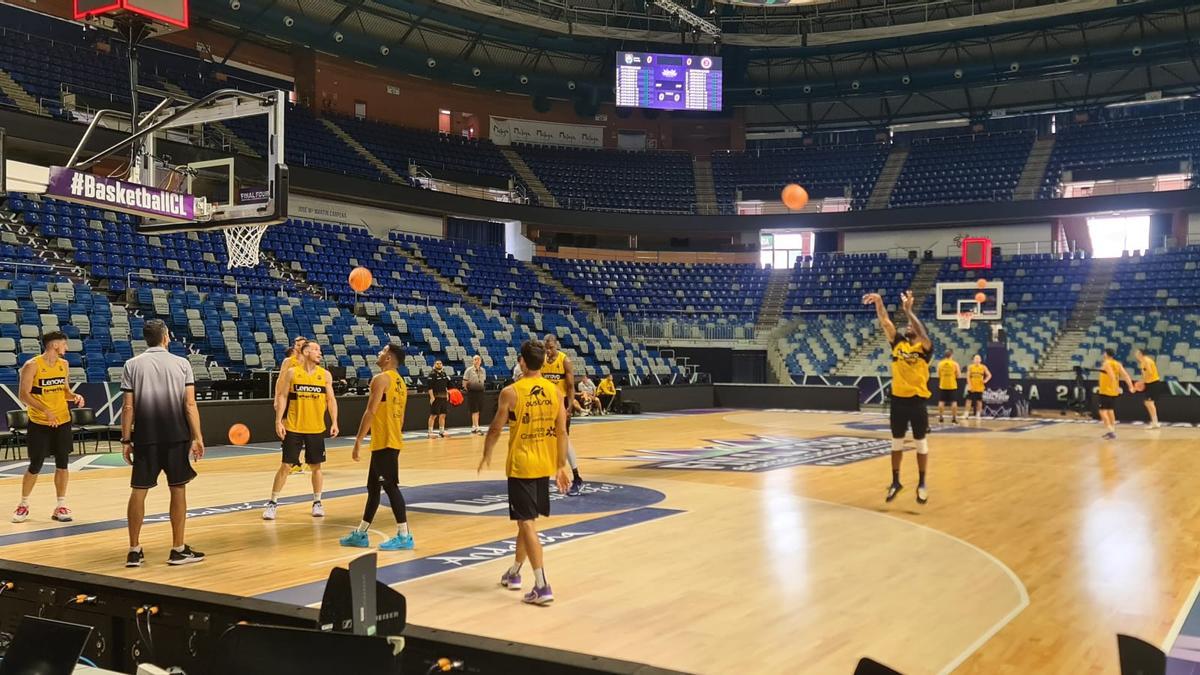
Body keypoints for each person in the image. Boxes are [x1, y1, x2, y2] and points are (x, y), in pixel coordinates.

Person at [478, 339, 570, 606]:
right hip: (544, 464)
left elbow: (495, 428)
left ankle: (542, 585)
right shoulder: (555, 392)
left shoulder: (511, 392)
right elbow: (562, 431)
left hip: (521, 464)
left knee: (527, 523)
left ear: (521, 361)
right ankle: (515, 573)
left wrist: (486, 452)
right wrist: (561, 465)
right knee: (525, 521)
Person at [120, 320, 205, 567]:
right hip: (176, 436)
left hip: (146, 437)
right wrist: (198, 437)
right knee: (178, 489)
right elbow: (189, 405)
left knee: (139, 490)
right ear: (166, 337)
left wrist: (126, 439)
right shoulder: (182, 364)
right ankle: (178, 549)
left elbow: (128, 407)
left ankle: (134, 550)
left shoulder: (132, 365)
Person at [340, 344, 414, 551]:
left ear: (389, 358)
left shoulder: (381, 379)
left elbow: (370, 412)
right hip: (390, 439)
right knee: (373, 488)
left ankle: (404, 536)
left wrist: (357, 441)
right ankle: (361, 533)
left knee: (390, 486)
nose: (379, 354)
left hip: (385, 441)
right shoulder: (401, 382)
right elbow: (402, 416)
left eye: (382, 352)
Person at [863, 291, 932, 505]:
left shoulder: (925, 347)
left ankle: (922, 483)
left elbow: (921, 332)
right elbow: (884, 321)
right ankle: (896, 481)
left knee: (921, 443)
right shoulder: (898, 343)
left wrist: (909, 311)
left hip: (918, 400)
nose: (909, 327)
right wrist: (879, 302)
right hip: (899, 400)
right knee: (896, 442)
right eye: (908, 325)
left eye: (912, 326)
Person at [13, 331, 85, 523]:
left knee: (63, 464)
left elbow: (65, 390)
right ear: (54, 345)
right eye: (64, 344)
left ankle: (60, 505)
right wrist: (45, 410)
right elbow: (24, 395)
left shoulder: (64, 365)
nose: (66, 348)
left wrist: (74, 397)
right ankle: (23, 504)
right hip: (40, 422)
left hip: (62, 420)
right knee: (35, 465)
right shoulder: (32, 365)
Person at [265, 340, 339, 520]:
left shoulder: (325, 375)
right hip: (293, 426)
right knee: (286, 466)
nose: (319, 353)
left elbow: (331, 400)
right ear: (305, 352)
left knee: (316, 467)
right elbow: (282, 396)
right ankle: (273, 503)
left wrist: (335, 421)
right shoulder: (292, 372)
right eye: (315, 350)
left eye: (320, 350)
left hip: (315, 428)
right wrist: (278, 421)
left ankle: (317, 502)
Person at [541, 334, 584, 496]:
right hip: (546, 405)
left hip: (562, 404)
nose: (549, 351)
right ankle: (549, 475)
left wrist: (570, 407)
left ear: (556, 346)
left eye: (551, 348)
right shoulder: (542, 361)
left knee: (563, 439)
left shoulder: (565, 360)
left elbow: (571, 387)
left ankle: (577, 477)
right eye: (546, 348)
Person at [278, 337, 308, 476]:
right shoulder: (288, 361)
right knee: (287, 430)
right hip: (289, 398)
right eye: (296, 344)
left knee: (303, 430)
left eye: (301, 344)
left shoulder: (308, 362)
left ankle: (302, 461)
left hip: (304, 399)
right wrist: (277, 398)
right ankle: (292, 462)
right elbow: (281, 380)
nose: (298, 346)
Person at [1098, 348, 1135, 440]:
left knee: (1102, 412)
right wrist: (1130, 386)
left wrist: (1115, 386)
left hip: (1106, 390)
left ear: (1106, 354)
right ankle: (1112, 431)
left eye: (1104, 353)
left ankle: (1110, 431)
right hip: (1113, 392)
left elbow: (1112, 376)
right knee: (1110, 410)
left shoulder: (1106, 363)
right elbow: (1126, 375)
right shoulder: (1117, 364)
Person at [1134, 348, 1164, 429]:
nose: (1135, 354)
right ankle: (1155, 422)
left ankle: (1155, 423)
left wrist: (1142, 382)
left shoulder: (1146, 361)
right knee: (1148, 403)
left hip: (1153, 383)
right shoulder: (1142, 362)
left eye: (1136, 353)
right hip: (1149, 383)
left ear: (1141, 353)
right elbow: (1145, 374)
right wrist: (1142, 381)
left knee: (1149, 403)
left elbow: (1150, 373)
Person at [934, 349, 961, 424]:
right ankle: (954, 418)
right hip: (952, 385)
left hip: (943, 385)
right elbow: (958, 375)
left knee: (941, 401)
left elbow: (938, 374)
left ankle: (941, 418)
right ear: (952, 355)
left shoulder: (940, 363)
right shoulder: (955, 364)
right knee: (954, 402)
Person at [463, 355, 487, 435]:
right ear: (473, 361)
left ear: (481, 361)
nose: (477, 361)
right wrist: (468, 390)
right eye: (475, 359)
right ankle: (477, 427)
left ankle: (474, 427)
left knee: (478, 410)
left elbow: (483, 380)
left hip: (480, 392)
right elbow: (464, 382)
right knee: (474, 410)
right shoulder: (469, 370)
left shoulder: (483, 370)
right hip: (472, 392)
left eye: (478, 359)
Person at [427, 360, 451, 438]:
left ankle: (442, 431)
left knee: (443, 415)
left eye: (440, 363)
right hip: (436, 397)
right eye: (437, 364)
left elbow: (446, 386)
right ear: (434, 365)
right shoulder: (432, 374)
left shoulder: (444, 374)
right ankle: (430, 432)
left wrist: (447, 394)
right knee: (433, 415)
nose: (439, 365)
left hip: (443, 397)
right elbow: (429, 387)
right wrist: (432, 397)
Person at [965, 355, 992, 420]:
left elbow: (989, 375)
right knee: (969, 400)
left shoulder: (983, 367)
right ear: (973, 360)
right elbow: (968, 377)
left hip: (980, 387)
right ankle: (966, 414)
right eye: (975, 358)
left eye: (978, 358)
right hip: (972, 387)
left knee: (979, 401)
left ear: (980, 360)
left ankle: (978, 414)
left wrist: (985, 380)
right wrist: (969, 385)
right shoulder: (970, 367)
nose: (977, 360)